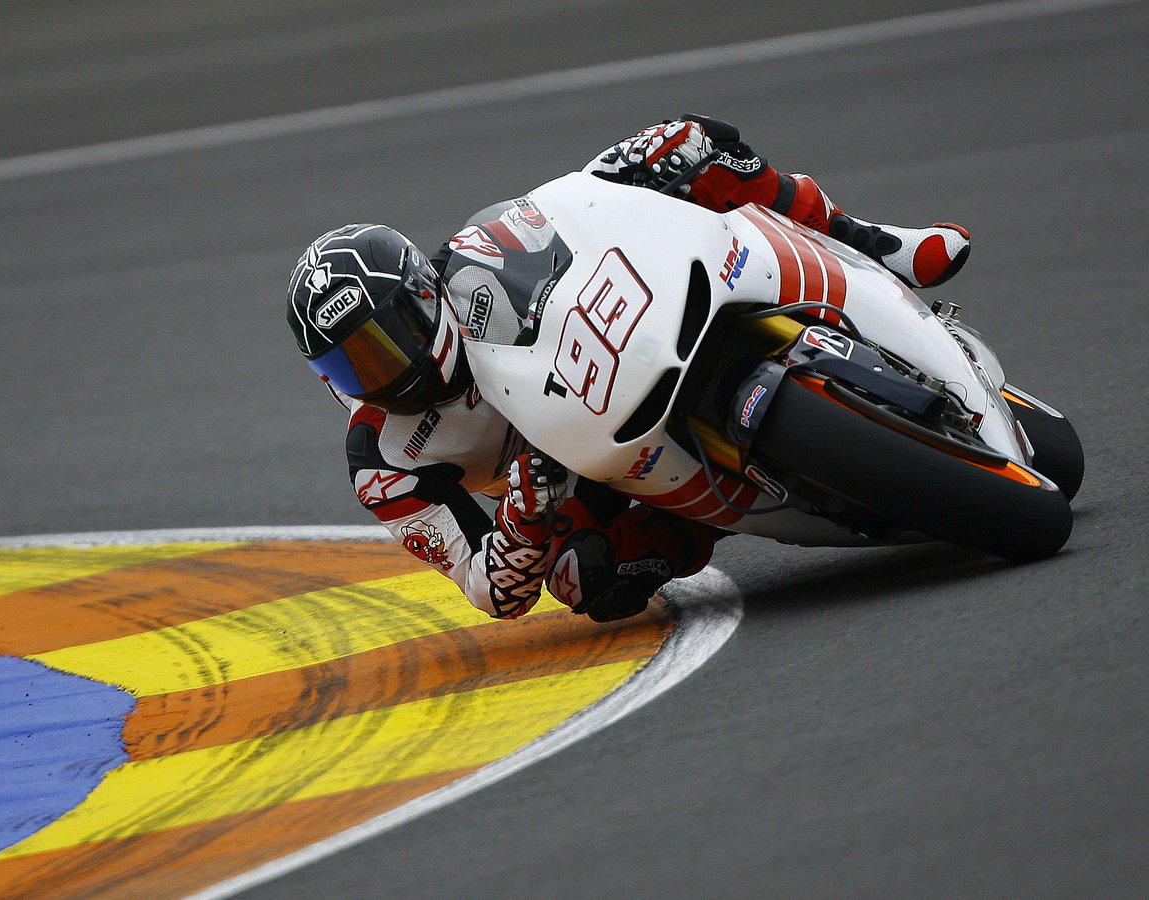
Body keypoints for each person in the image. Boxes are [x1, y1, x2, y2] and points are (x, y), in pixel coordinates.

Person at [284, 114, 970, 622]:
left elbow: (574, 207)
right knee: (584, 578)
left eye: (387, 337)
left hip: (622, 343)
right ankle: (719, 515)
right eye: (354, 364)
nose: (384, 369)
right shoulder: (382, 459)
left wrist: (645, 163)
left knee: (688, 141)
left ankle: (876, 247)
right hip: (588, 473)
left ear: (422, 291)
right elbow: (489, 592)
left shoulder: (476, 260)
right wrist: (524, 519)